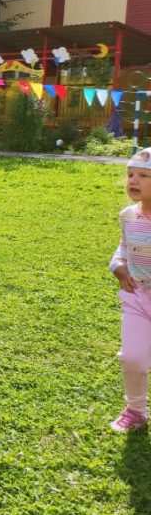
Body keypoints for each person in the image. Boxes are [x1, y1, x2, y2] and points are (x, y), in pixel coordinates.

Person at [108, 147, 151, 432]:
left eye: (144, 176)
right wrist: (118, 264)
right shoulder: (127, 216)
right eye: (130, 174)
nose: (133, 180)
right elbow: (123, 248)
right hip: (138, 298)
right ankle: (136, 409)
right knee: (133, 357)